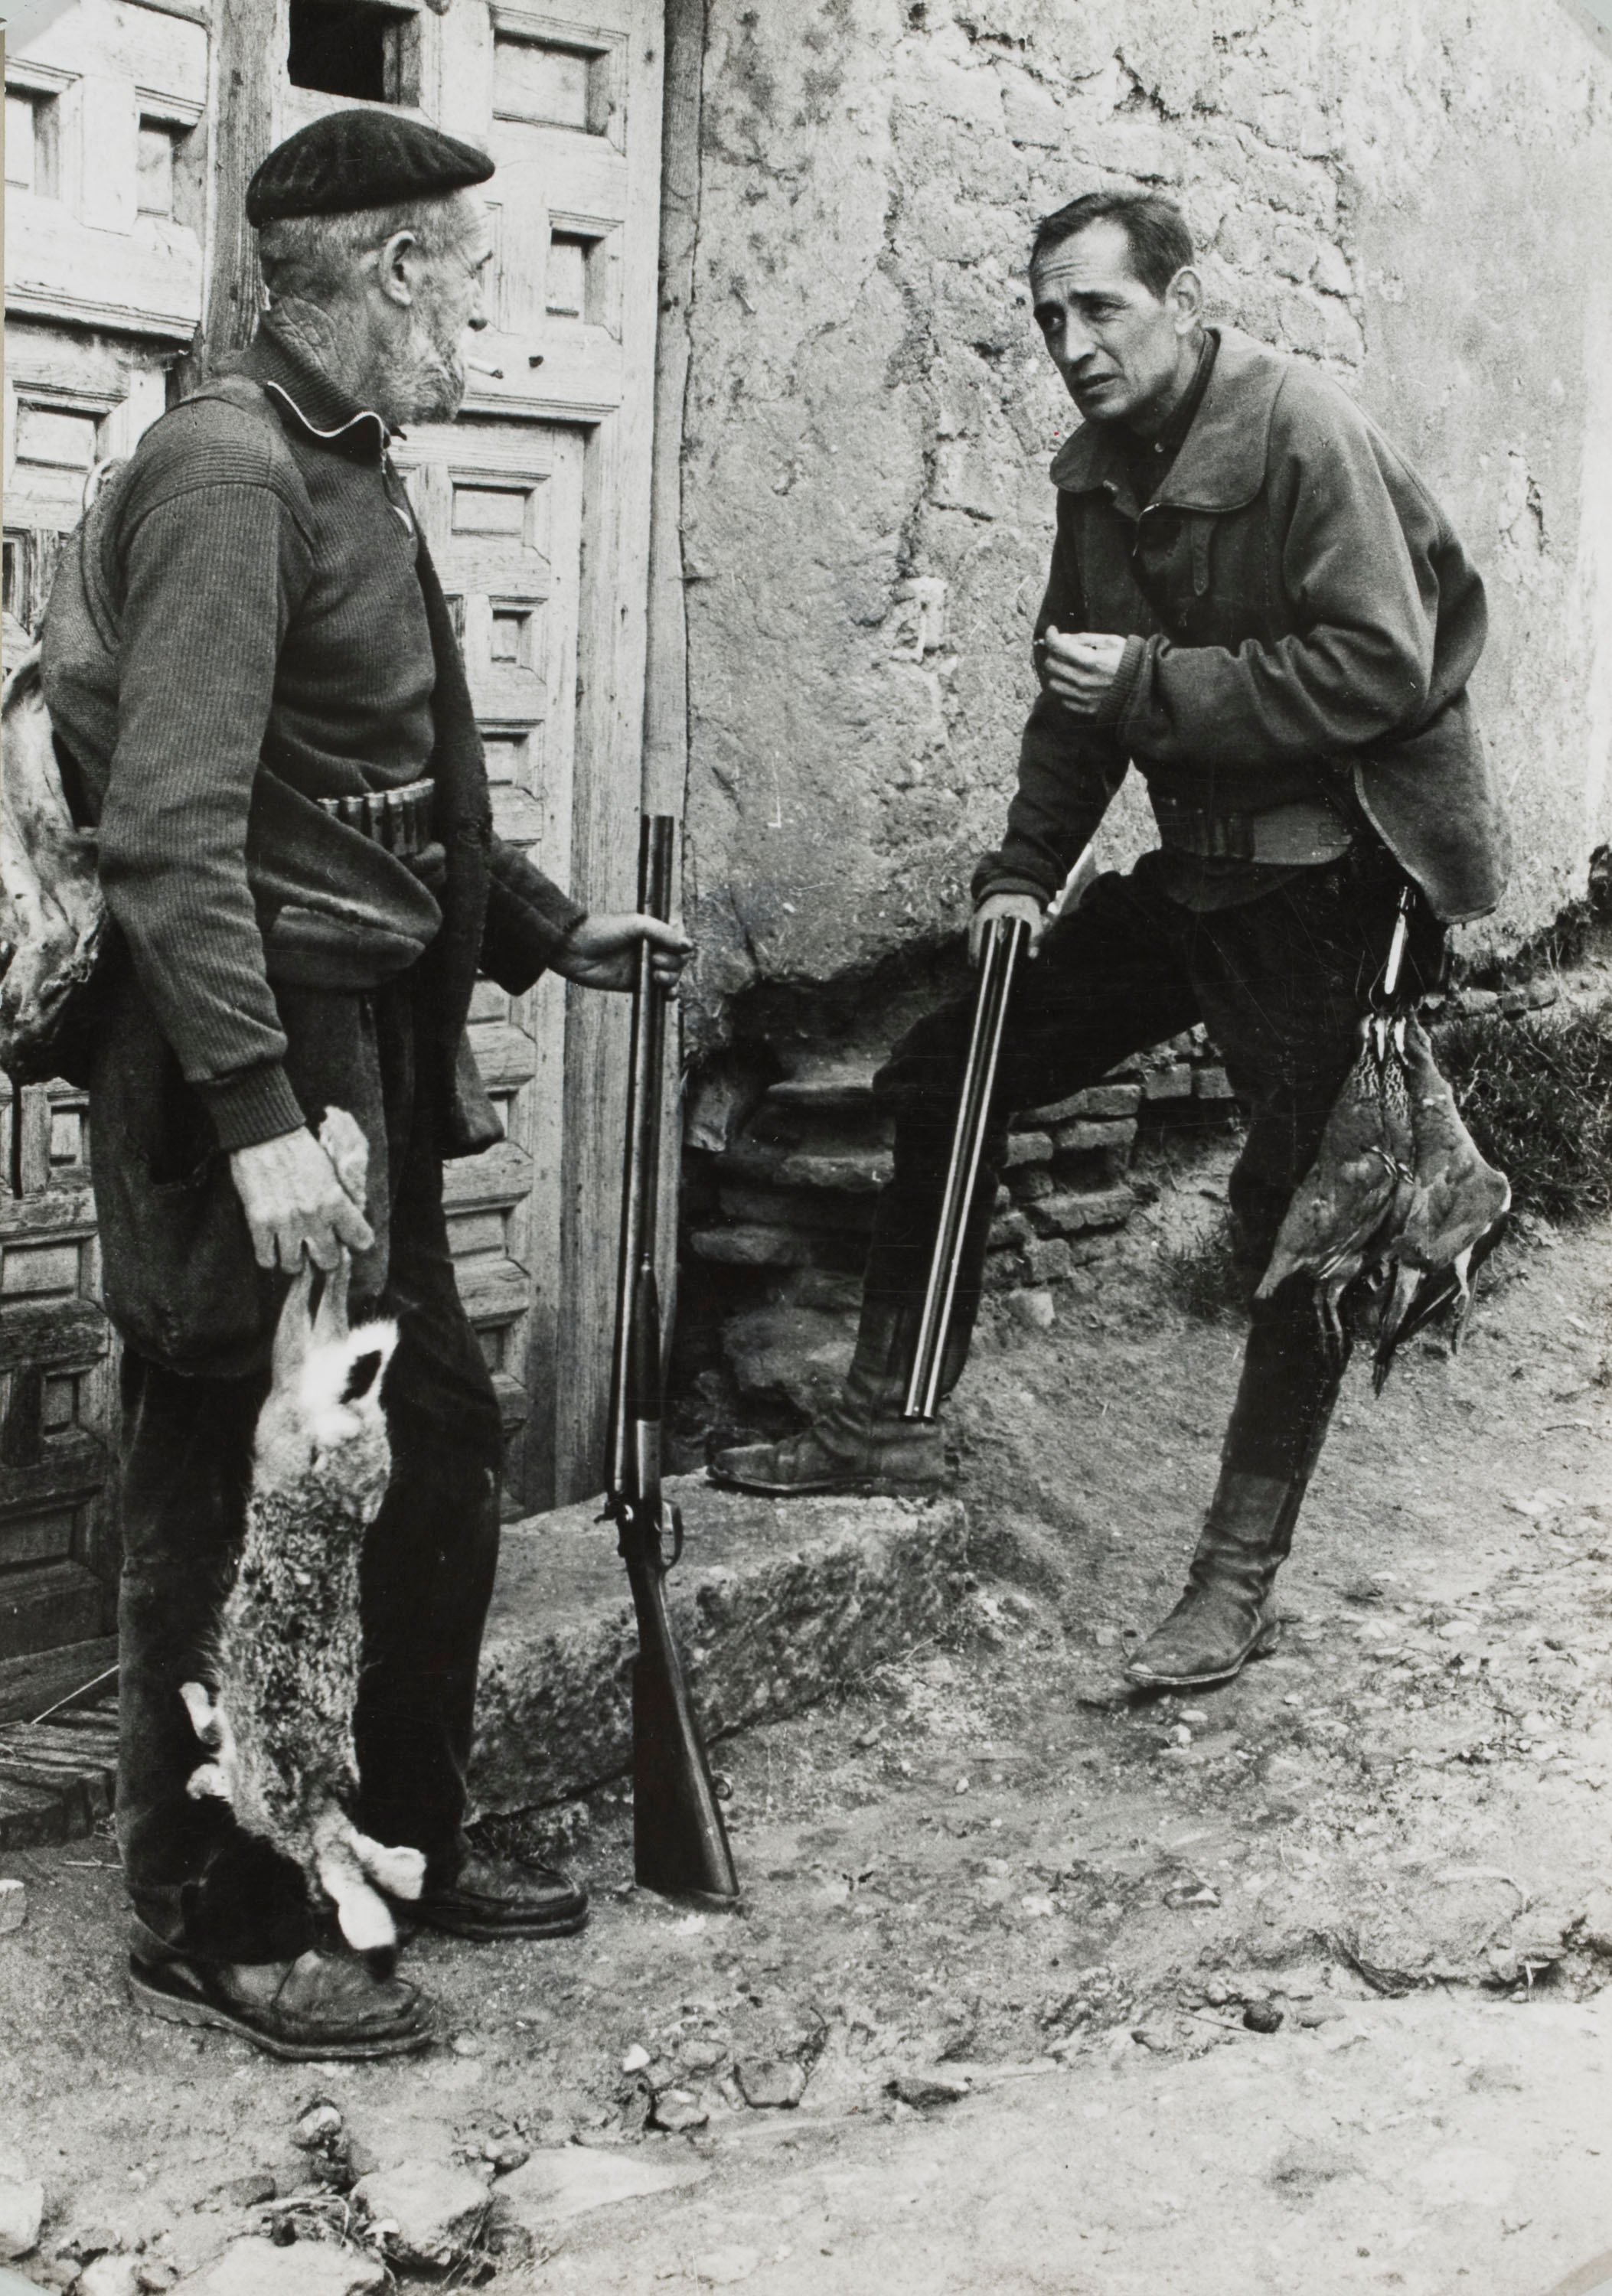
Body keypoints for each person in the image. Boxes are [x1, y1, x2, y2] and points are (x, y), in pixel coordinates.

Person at [41, 110, 689, 2060]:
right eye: (468, 275)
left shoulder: (347, 467)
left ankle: (385, 1840)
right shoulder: (228, 477)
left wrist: (543, 928)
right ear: (398, 270)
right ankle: (214, 1916)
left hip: (361, 1043)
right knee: (237, 1478)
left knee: (435, 1450)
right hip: (250, 1053)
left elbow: (374, 778)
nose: (481, 313)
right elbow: (171, 832)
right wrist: (254, 1119)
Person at [713, 190, 1509, 1699]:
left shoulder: (1300, 431)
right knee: (947, 1071)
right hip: (1192, 879)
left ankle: (1232, 1581)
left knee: (1306, 1215)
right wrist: (1025, 868)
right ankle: (887, 1419)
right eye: (1048, 318)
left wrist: (1151, 680)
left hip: (1327, 889)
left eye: (1101, 309)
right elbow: (1077, 697)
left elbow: (1378, 666)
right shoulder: (1099, 471)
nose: (1071, 343)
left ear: (1182, 301)